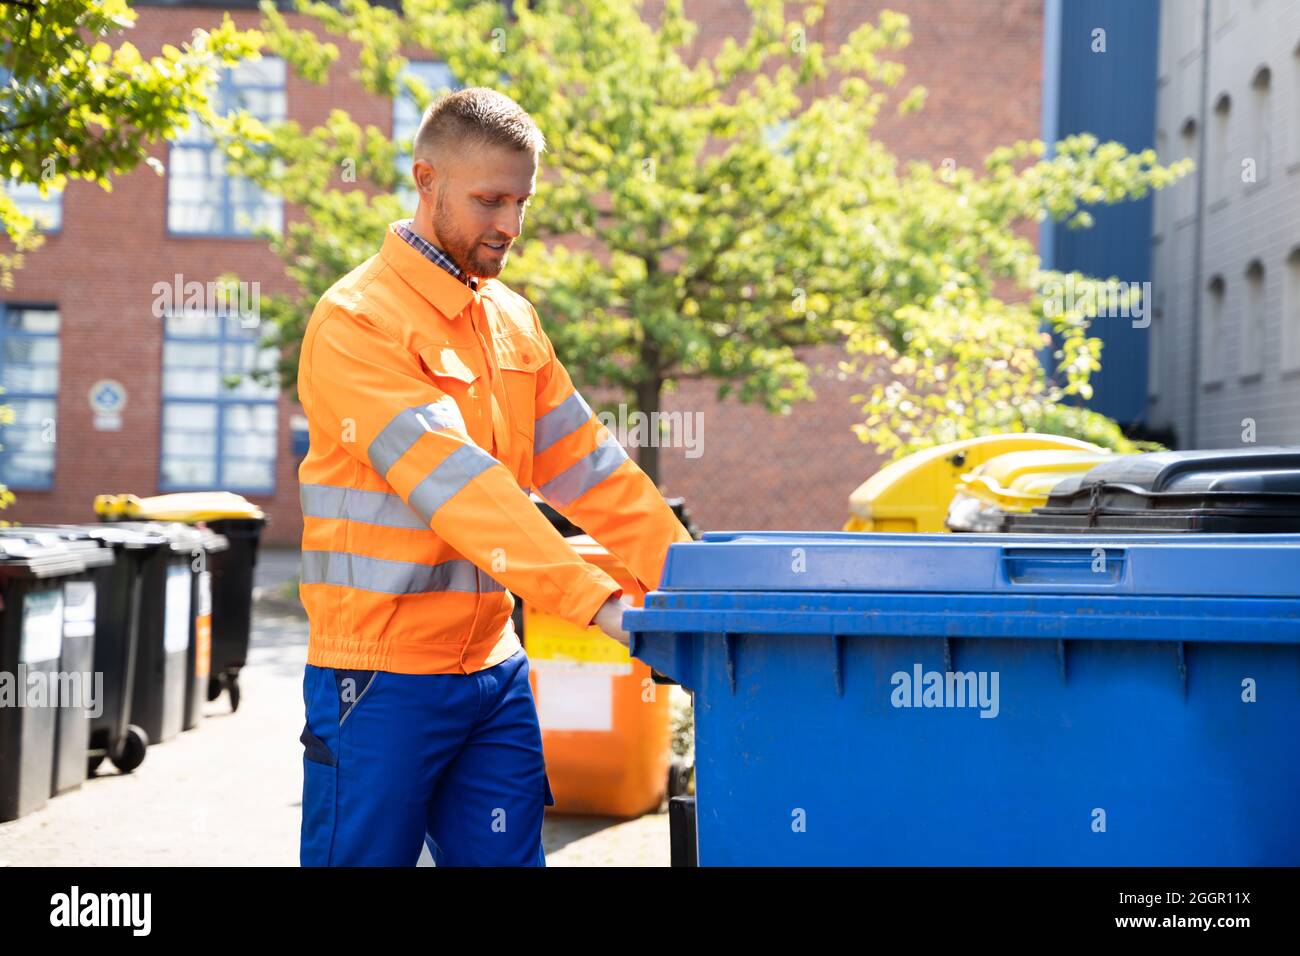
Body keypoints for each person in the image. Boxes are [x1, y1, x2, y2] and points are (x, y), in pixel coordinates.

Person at [295, 86, 692, 866]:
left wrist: (697, 583)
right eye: (488, 200)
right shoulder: (357, 323)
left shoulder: (510, 320)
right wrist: (602, 607)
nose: (509, 225)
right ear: (425, 179)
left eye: (523, 201)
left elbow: (596, 472)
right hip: (378, 679)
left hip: (491, 668)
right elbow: (462, 490)